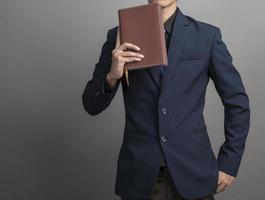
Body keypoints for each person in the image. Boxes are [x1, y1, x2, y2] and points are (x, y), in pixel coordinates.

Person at [82, 0, 250, 199]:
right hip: (141, 176)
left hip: (194, 171)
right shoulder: (119, 36)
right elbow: (91, 105)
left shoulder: (207, 36)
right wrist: (112, 76)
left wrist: (230, 162)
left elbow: (237, 102)